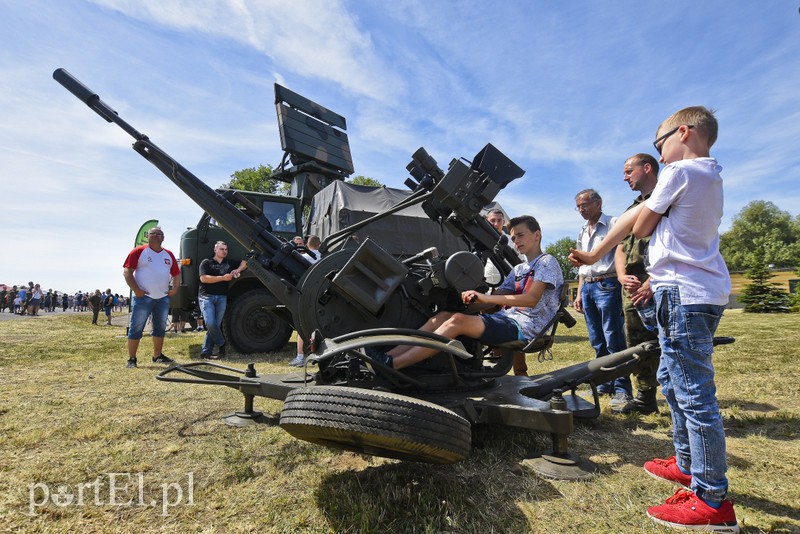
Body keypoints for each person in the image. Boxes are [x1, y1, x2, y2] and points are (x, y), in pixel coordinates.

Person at [570, 107, 737, 531]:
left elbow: (641, 226)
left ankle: (712, 501)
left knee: (694, 396)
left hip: (682, 294)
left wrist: (602, 248)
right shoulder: (705, 175)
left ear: (684, 132)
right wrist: (594, 254)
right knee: (673, 382)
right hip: (693, 292)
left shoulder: (680, 172)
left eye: (659, 144)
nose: (659, 155)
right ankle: (686, 463)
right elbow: (637, 215)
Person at [373, 216, 563, 370]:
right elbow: (496, 297)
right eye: (513, 238)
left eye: (520, 235)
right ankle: (386, 358)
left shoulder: (547, 262)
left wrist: (485, 297)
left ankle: (393, 365)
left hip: (527, 328)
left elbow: (531, 299)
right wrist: (468, 300)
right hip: (508, 320)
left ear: (537, 235)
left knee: (457, 321)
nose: (516, 241)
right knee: (444, 315)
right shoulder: (519, 269)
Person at [611, 154, 661, 415]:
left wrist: (652, 281)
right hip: (631, 286)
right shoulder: (632, 209)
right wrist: (621, 275)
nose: (625, 177)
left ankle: (681, 399)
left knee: (668, 342)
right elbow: (621, 248)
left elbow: (675, 244)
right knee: (638, 343)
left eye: (629, 171)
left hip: (658, 282)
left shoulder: (665, 200)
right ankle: (645, 396)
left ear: (647, 168)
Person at [573, 189, 632, 406]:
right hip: (588, 285)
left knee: (613, 337)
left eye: (584, 205)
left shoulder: (613, 223)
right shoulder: (582, 231)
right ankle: (604, 382)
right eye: (578, 207)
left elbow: (622, 252)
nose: (581, 210)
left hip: (607, 283)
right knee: (597, 340)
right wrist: (579, 292)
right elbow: (582, 265)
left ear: (598, 203)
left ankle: (622, 389)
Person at [123, 226, 180, 368]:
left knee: (160, 328)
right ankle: (132, 359)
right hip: (143, 298)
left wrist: (175, 289)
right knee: (136, 328)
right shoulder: (138, 251)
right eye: (152, 233)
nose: (155, 235)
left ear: (163, 238)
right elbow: (127, 272)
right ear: (147, 236)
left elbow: (176, 273)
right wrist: (137, 290)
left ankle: (157, 356)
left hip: (162, 298)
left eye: (159, 233)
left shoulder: (168, 254)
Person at [198, 241, 246, 359]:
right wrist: (223, 278)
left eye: (226, 249)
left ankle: (206, 352)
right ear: (215, 250)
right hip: (206, 296)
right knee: (210, 323)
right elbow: (204, 279)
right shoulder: (206, 262)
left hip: (222, 297)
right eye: (221, 249)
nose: (224, 251)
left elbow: (245, 262)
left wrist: (238, 270)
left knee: (215, 325)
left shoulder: (229, 263)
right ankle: (221, 343)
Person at [290, 235, 322, 366]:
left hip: (305, 296)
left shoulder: (302, 258)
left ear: (307, 245)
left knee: (302, 326)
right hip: (320, 295)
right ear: (319, 245)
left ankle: (300, 357)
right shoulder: (323, 257)